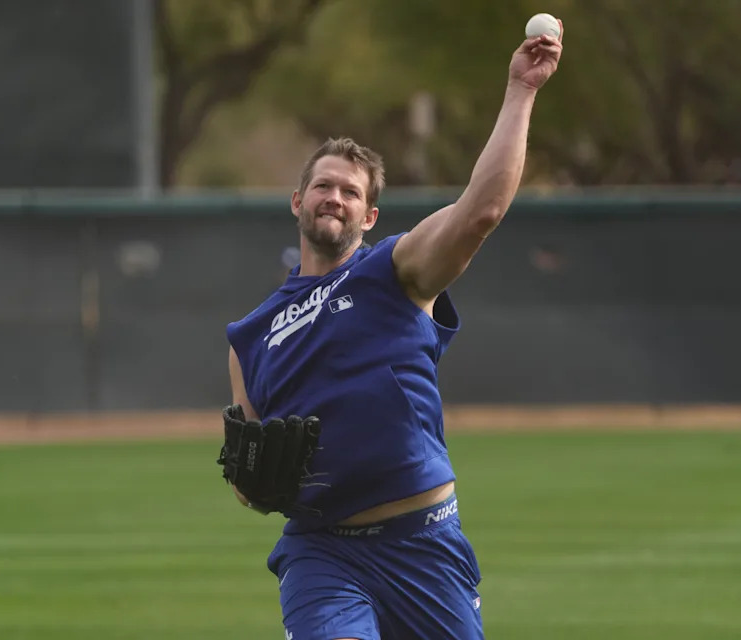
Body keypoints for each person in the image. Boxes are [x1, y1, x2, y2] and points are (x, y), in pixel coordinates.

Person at [224, 25, 563, 640]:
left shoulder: (395, 270)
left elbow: (479, 211)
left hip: (424, 541)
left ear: (370, 215)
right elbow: (251, 485)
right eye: (323, 186)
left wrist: (520, 91)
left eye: (351, 191)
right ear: (297, 201)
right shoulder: (249, 336)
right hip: (322, 554)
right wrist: (252, 485)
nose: (335, 197)